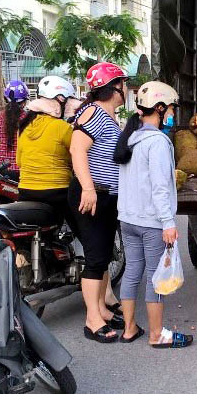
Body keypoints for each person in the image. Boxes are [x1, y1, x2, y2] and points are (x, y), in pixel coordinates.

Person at [114, 81, 194, 348]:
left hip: (128, 219)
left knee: (133, 271)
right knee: (154, 277)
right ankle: (157, 334)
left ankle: (128, 329)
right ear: (159, 108)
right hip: (150, 221)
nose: (172, 114)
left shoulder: (131, 139)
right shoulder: (157, 142)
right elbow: (160, 187)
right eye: (170, 108)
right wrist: (168, 223)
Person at [69, 62, 129, 343]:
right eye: (124, 84)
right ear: (115, 87)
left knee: (103, 256)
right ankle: (92, 320)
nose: (126, 89)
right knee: (94, 259)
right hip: (93, 195)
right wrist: (88, 188)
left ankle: (102, 309)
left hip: (105, 196)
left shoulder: (107, 116)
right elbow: (77, 148)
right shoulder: (94, 113)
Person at [15, 75, 76, 230]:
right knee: (83, 228)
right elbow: (77, 159)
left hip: (25, 191)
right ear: (60, 100)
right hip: (57, 192)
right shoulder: (63, 128)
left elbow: (19, 162)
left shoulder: (24, 127)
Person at [0, 80, 30, 181]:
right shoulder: (27, 118)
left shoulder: (0, 116)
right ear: (24, 101)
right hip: (20, 169)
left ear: (6, 99)